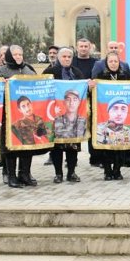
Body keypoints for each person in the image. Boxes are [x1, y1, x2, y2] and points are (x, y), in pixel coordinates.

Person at [0, 45, 41, 188]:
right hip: (8, 116)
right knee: (11, 147)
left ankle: (24, 174)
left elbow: (37, 87)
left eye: (20, 54)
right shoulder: (1, 71)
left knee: (27, 145)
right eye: (15, 54)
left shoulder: (29, 70)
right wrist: (1, 84)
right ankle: (11, 176)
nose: (18, 57)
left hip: (26, 116)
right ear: (9, 56)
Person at [43, 47, 89, 183]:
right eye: (64, 57)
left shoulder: (76, 72)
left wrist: (89, 85)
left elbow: (84, 90)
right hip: (56, 115)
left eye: (69, 57)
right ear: (58, 57)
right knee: (57, 147)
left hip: (74, 116)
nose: (67, 59)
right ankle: (58, 174)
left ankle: (71, 172)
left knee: (72, 147)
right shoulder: (50, 72)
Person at [93, 51, 130, 180]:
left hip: (121, 119)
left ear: (119, 62)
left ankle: (117, 169)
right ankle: (107, 170)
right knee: (106, 147)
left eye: (115, 61)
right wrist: (92, 86)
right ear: (106, 63)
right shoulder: (100, 76)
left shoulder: (125, 75)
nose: (113, 63)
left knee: (120, 146)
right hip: (106, 116)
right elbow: (93, 92)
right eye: (110, 61)